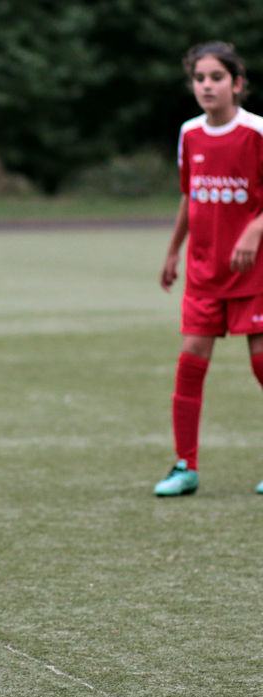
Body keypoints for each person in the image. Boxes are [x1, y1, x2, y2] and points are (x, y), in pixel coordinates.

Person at [153, 41, 263, 497]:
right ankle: (185, 466)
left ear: (236, 84)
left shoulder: (257, 131)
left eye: (216, 77)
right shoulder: (190, 134)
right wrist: (173, 249)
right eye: (200, 78)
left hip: (254, 273)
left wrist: (255, 229)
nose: (206, 86)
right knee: (190, 365)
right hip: (204, 272)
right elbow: (190, 194)